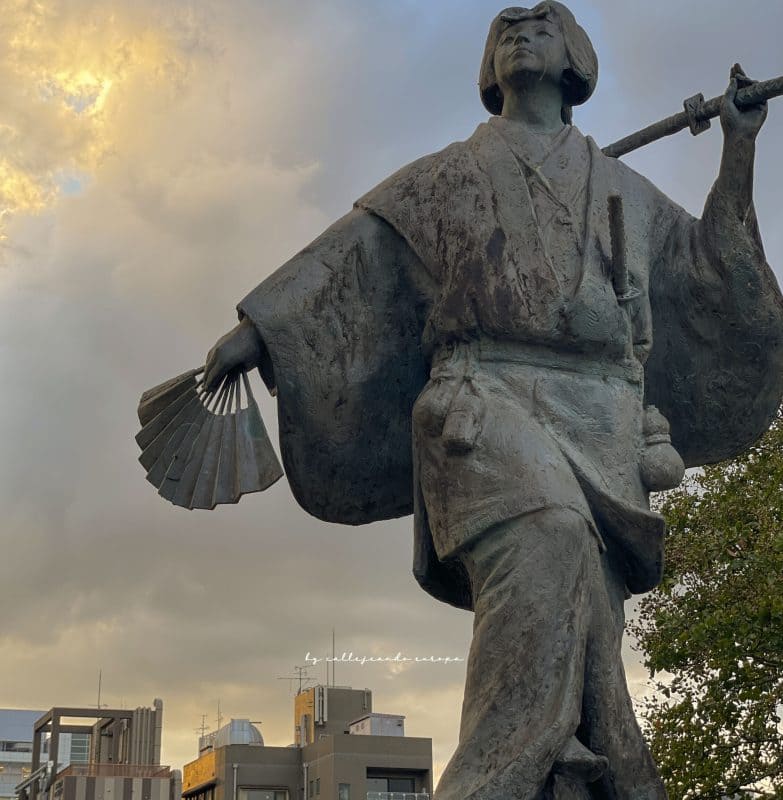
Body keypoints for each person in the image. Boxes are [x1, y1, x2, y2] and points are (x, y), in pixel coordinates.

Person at [201, 3, 782, 798]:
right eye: (505, 27)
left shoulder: (622, 188)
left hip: (602, 418)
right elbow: (350, 254)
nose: (520, 32)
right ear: (487, 63)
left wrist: (737, 150)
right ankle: (499, 773)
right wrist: (260, 330)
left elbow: (711, 274)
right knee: (546, 537)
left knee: (587, 614)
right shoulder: (445, 178)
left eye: (542, 24)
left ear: (575, 56)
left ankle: (577, 759)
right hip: (482, 404)